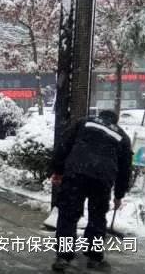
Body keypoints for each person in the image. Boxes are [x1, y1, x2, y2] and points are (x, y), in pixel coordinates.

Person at [50, 109, 133, 272]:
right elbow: (125, 170)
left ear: (99, 116)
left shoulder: (84, 122)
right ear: (115, 122)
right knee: (97, 217)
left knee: (68, 215)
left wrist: (58, 170)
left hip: (76, 173)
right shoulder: (122, 136)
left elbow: (63, 145)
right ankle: (94, 258)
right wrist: (119, 195)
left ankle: (63, 257)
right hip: (102, 179)